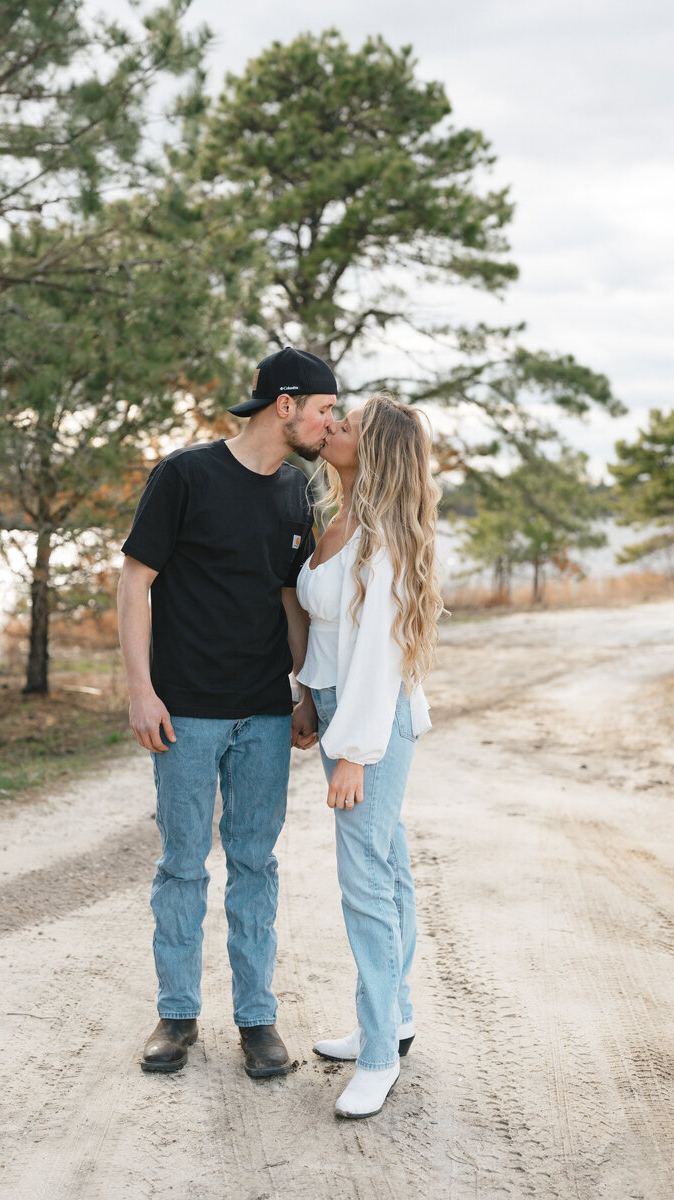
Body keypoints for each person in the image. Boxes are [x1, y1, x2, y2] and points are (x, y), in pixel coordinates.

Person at [117, 346, 335, 1078]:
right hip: (186, 713)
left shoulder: (297, 490)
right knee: (182, 865)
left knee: (255, 864)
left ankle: (256, 1019)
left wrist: (303, 688)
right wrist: (140, 690)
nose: (328, 423)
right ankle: (177, 1015)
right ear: (286, 406)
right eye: (324, 409)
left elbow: (287, 596)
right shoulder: (185, 475)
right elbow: (134, 580)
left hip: (265, 715)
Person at [295, 393, 443, 1118]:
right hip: (335, 712)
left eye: (346, 424)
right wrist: (305, 698)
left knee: (366, 883)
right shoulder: (337, 516)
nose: (333, 427)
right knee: (388, 868)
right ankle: (398, 1013)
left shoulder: (381, 537)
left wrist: (351, 752)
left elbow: (381, 657)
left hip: (370, 725)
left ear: (373, 447)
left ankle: (380, 1053)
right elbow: (328, 635)